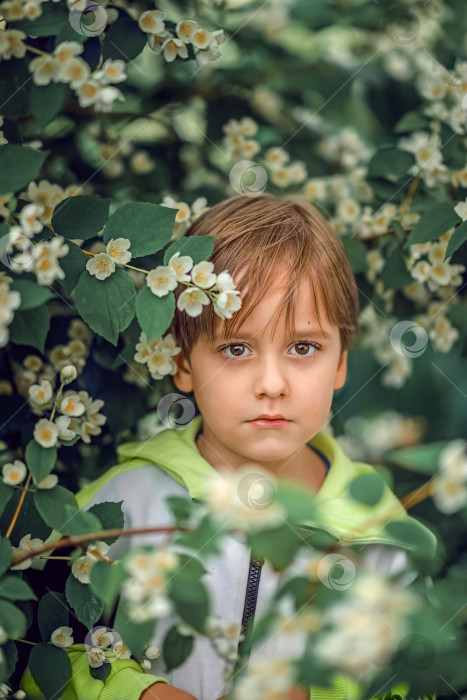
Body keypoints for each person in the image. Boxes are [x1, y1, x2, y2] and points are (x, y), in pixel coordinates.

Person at [20, 193, 437, 700]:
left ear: (341, 362)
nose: (272, 383)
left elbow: (411, 679)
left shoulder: (379, 538)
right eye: (236, 349)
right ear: (184, 363)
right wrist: (137, 692)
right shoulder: (128, 502)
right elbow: (38, 645)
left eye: (303, 347)